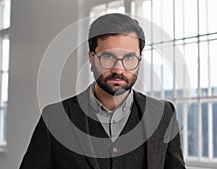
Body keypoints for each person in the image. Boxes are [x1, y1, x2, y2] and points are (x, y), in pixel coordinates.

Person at [20, 13, 186, 169]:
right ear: (91, 58)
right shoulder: (55, 117)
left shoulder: (163, 114)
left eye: (129, 58)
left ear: (140, 60)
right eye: (108, 57)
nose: (118, 69)